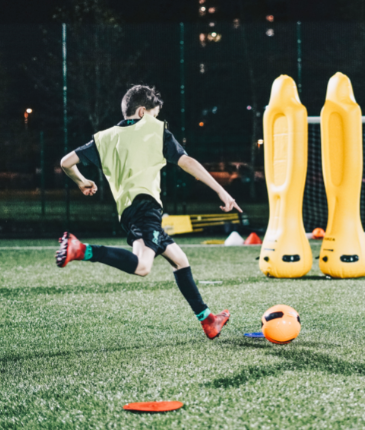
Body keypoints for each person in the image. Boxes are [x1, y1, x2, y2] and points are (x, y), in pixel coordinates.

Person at [55, 85, 242, 339]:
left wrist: (81, 181)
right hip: (146, 207)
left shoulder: (105, 137)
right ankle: (82, 249)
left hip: (129, 211)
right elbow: (187, 162)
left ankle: (208, 320)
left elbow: (66, 162)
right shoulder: (154, 129)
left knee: (180, 260)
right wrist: (221, 190)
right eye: (154, 114)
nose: (156, 119)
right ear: (143, 112)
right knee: (143, 266)